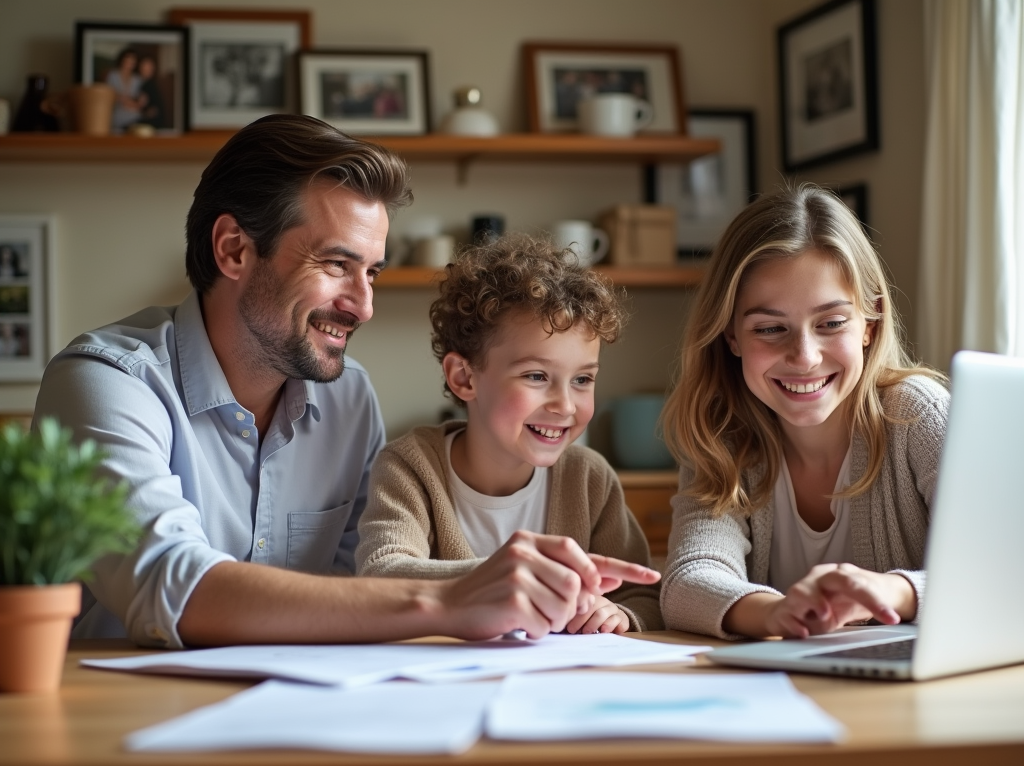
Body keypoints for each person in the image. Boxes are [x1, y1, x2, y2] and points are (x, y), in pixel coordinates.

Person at [33, 114, 659, 649]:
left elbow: (357, 589)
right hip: (125, 716)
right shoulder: (106, 384)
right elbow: (170, 583)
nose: (362, 306)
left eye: (373, 274)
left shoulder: (348, 396)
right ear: (233, 250)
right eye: (336, 264)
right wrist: (450, 598)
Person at [659, 184, 949, 640]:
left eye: (831, 323)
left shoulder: (920, 415)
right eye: (771, 328)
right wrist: (780, 612)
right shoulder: (722, 435)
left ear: (869, 325)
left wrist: (892, 591)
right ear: (731, 336)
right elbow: (688, 581)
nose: (805, 356)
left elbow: (1002, 567)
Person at [356, 235, 662, 634]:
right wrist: (503, 577)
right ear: (464, 378)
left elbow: (644, 597)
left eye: (583, 379)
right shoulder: (409, 467)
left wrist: (620, 615)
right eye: (536, 376)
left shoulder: (590, 478)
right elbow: (381, 576)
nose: (566, 405)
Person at [106, 48, 143, 133]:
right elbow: (109, 95)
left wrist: (135, 103)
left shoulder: (137, 79)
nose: (129, 64)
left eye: (132, 62)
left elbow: (139, 99)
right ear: (122, 60)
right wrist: (124, 100)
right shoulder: (113, 75)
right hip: (117, 114)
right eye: (127, 61)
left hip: (134, 115)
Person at [136, 55, 166, 129]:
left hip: (152, 123)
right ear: (140, 68)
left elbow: (143, 105)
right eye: (146, 67)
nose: (149, 69)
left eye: (151, 67)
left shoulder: (150, 85)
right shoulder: (138, 82)